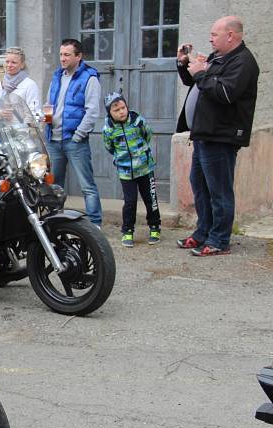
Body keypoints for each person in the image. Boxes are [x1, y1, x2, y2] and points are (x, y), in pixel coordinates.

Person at [175, 16, 258, 257]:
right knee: (200, 186)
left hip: (221, 135)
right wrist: (184, 64)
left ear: (230, 35)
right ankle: (202, 234)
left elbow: (225, 93)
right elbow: (194, 82)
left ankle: (220, 240)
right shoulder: (218, 57)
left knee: (219, 190)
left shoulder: (243, 62)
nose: (210, 38)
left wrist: (203, 74)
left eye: (214, 34)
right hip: (203, 134)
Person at [45, 38, 103, 227]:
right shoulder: (57, 76)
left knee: (87, 186)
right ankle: (55, 221)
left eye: (67, 55)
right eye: (61, 54)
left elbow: (92, 111)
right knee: (55, 187)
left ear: (79, 57)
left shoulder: (89, 78)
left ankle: (95, 224)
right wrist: (45, 118)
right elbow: (49, 104)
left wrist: (78, 135)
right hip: (54, 140)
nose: (62, 58)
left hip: (74, 141)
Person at [102, 92, 160, 248]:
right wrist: (122, 159)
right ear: (109, 113)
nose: (121, 112)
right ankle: (127, 231)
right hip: (126, 172)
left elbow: (148, 135)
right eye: (116, 110)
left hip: (145, 168)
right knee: (130, 202)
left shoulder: (137, 121)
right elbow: (109, 147)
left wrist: (141, 154)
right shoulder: (108, 129)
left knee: (150, 198)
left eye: (123, 108)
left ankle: (155, 227)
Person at [0, 46, 41, 118]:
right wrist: (0, 113)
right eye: (7, 61)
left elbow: (36, 114)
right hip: (0, 128)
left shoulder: (30, 85)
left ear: (22, 65)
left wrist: (19, 119)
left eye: (14, 62)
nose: (9, 65)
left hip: (22, 128)